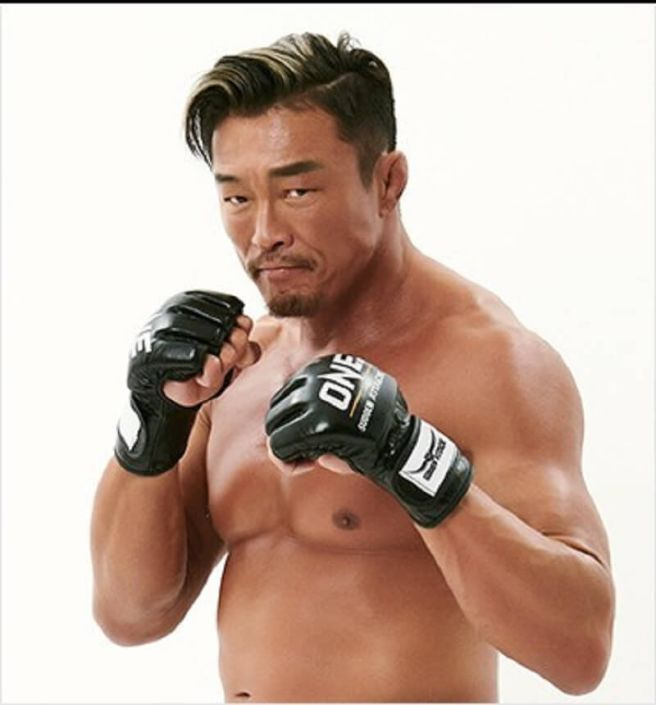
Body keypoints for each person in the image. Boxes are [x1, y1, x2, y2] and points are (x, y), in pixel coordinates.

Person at [90, 31, 615, 703]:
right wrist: (152, 422)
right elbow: (131, 615)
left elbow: (581, 649)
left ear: (388, 181)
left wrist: (409, 456)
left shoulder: (493, 364)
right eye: (237, 198)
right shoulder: (235, 370)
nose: (264, 233)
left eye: (298, 190)